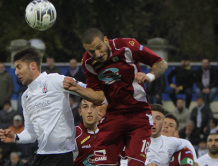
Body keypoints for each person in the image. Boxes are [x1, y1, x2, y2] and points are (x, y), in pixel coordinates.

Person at [63, 28, 168, 166]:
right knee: (102, 163)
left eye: (99, 47)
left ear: (106, 40)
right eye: (92, 51)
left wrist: (149, 76)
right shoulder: (87, 62)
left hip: (138, 113)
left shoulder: (127, 45)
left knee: (135, 164)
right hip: (112, 116)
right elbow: (98, 97)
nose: (98, 54)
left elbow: (161, 63)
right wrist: (76, 89)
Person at [0, 46, 83, 166]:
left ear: (33, 66)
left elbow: (86, 89)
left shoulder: (55, 80)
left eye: (19, 67)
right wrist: (16, 137)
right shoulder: (26, 97)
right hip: (43, 154)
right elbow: (31, 134)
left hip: (63, 153)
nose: (16, 72)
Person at [74, 99, 103, 166]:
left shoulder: (108, 132)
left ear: (98, 110)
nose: (89, 111)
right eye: (85, 107)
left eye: (93, 106)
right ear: (80, 111)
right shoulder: (74, 134)